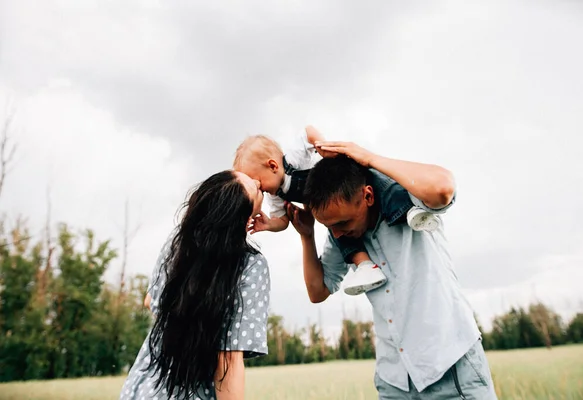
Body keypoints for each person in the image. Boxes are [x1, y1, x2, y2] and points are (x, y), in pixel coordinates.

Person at [286, 141, 497, 399]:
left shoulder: (410, 204)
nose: (338, 233)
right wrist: (307, 237)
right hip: (394, 381)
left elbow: (443, 188)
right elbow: (318, 291)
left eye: (343, 222)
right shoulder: (339, 235)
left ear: (368, 196)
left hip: (450, 368)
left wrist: (369, 158)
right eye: (330, 227)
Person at [233, 126, 440, 295]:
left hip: (339, 182)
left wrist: (322, 146)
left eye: (257, 183)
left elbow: (308, 132)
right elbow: (283, 221)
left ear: (272, 165)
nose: (259, 191)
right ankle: (365, 266)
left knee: (382, 186)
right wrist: (271, 225)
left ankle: (411, 210)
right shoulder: (276, 195)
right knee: (339, 235)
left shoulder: (292, 161)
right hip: (329, 209)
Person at [120, 170, 271, 400]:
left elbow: (151, 301)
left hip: (139, 389)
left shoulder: (178, 241)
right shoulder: (250, 265)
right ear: (243, 219)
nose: (259, 182)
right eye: (255, 188)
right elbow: (228, 361)